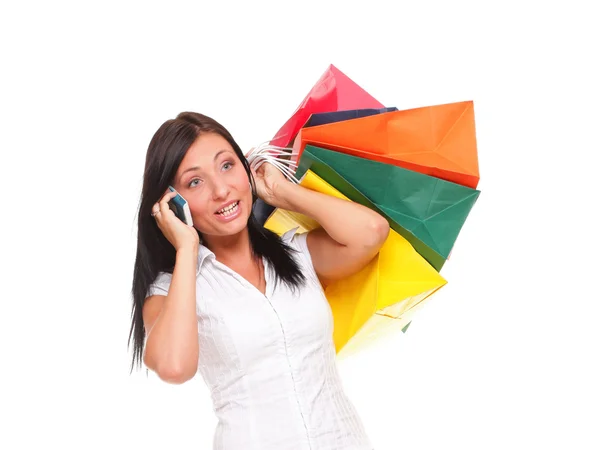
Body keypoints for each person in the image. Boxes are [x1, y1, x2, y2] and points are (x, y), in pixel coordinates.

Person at [128, 112, 390, 450]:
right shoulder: (172, 289)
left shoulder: (297, 255)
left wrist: (281, 192)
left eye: (227, 166)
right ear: (171, 203)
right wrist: (187, 247)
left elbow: (371, 233)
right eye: (195, 182)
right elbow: (174, 367)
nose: (222, 190)